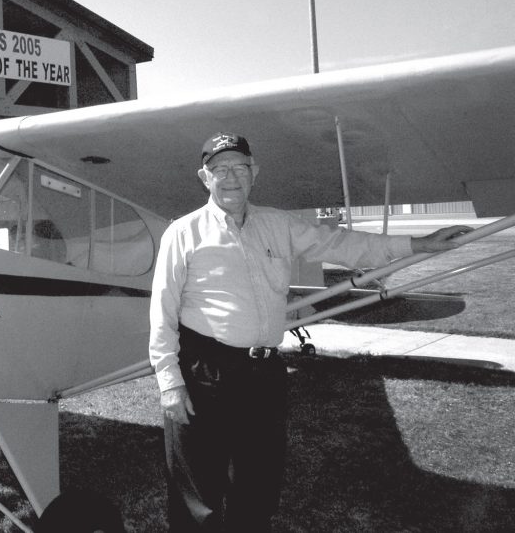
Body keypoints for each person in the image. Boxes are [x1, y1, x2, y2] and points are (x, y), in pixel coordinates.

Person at [149, 132, 470, 532]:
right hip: (204, 371)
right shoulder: (183, 232)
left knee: (258, 488)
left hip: (263, 373)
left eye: (240, 167)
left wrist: (418, 244)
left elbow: (343, 244)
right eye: (220, 170)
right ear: (204, 177)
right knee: (198, 498)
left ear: (255, 172)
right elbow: (161, 311)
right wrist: (169, 382)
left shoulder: (279, 224)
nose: (231, 178)